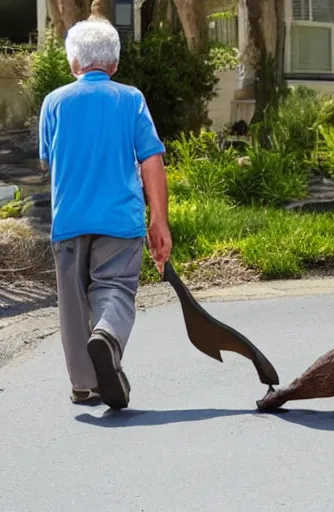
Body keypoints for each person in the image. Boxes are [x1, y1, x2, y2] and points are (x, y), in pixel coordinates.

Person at [39, 17, 172, 410]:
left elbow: (48, 162)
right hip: (119, 220)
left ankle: (85, 385)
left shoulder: (54, 103)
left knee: (73, 304)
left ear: (73, 63)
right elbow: (151, 160)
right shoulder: (130, 99)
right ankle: (109, 335)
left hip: (70, 221)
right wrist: (159, 220)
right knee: (114, 289)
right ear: (114, 65)